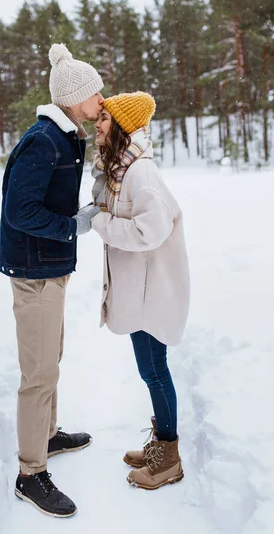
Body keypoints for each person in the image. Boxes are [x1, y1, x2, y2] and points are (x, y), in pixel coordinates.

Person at [0, 43, 103, 517]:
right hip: (34, 268)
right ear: (74, 97)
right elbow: (19, 211)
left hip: (49, 265)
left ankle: (48, 435)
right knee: (37, 373)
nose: (102, 100)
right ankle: (29, 472)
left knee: (49, 360)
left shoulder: (64, 135)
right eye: (96, 94)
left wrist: (72, 219)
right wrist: (70, 226)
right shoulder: (44, 139)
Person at [91, 91, 190, 490]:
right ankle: (162, 443)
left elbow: (151, 231)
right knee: (150, 370)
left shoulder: (140, 174)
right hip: (141, 288)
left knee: (154, 371)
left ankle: (168, 456)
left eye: (103, 120)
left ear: (121, 125)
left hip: (152, 291)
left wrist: (101, 224)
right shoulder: (121, 167)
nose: (96, 125)